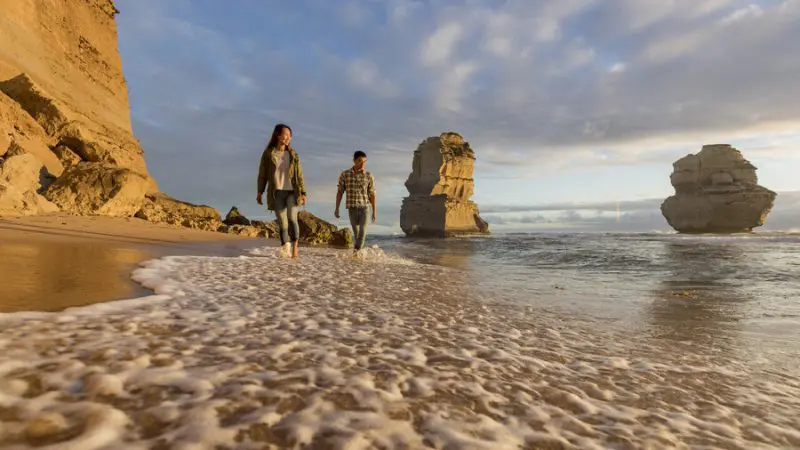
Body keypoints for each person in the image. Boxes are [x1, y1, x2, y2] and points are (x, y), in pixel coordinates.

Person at [257, 123, 307, 258]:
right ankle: (286, 247)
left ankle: (295, 249)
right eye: (285, 135)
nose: (288, 138)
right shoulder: (268, 154)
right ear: (277, 135)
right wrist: (260, 191)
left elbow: (299, 174)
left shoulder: (293, 154)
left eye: (290, 136)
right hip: (277, 193)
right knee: (282, 222)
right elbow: (262, 175)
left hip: (292, 192)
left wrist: (303, 193)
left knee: (292, 217)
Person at [335, 150, 376, 252]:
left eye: (364, 161)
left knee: (362, 231)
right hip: (352, 208)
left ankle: (355, 252)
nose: (363, 164)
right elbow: (340, 192)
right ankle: (359, 258)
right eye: (360, 161)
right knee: (357, 233)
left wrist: (374, 211)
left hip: (365, 207)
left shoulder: (369, 175)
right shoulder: (345, 175)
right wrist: (337, 208)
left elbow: (372, 194)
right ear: (354, 161)